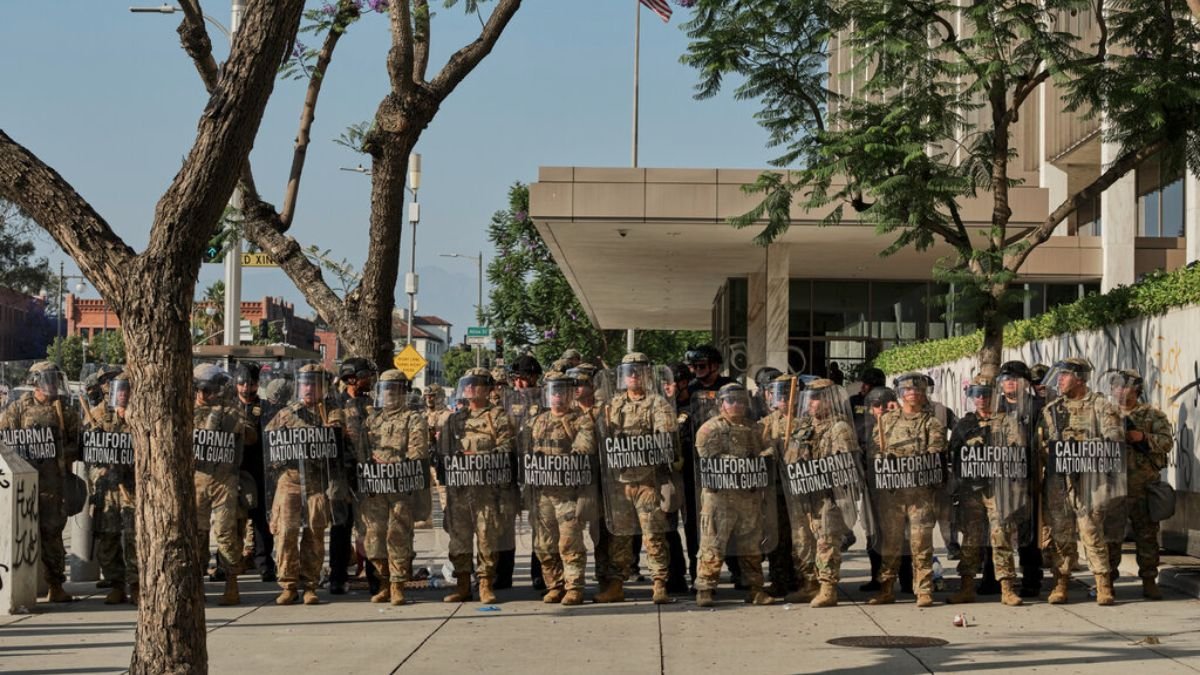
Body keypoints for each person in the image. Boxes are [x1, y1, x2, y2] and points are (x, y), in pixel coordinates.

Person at [1038, 357, 1124, 605]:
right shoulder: (1052, 409)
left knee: (1092, 532)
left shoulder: (1101, 406)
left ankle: (1103, 584)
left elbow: (1115, 438)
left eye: (1064, 375)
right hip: (1059, 481)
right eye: (1059, 375)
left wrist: (1082, 446)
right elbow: (1041, 444)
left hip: (1090, 479)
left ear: (1079, 378)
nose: (1060, 380)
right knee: (1060, 535)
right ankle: (1061, 583)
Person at [595, 352, 678, 604]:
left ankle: (659, 583)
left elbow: (666, 434)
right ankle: (616, 584)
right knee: (619, 536)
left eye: (638, 371)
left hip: (647, 481)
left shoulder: (657, 403)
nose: (632, 375)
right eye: (628, 371)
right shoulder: (614, 404)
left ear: (646, 374)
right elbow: (603, 434)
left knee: (653, 534)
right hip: (620, 482)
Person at [0, 361, 81, 603]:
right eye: (48, 379)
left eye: (55, 379)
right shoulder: (18, 409)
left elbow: (77, 444)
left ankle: (55, 584)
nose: (52, 384)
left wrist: (60, 451)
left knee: (52, 533)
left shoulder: (64, 410)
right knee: (18, 532)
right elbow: (5, 441)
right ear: (35, 382)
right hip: (24, 484)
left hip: (52, 485)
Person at [265, 363, 344, 605]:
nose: (309, 388)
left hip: (316, 482)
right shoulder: (286, 413)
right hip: (289, 480)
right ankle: (288, 585)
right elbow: (269, 443)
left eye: (313, 383)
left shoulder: (332, 412)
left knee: (314, 534)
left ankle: (310, 585)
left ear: (323, 387)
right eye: (305, 383)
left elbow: (337, 438)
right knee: (286, 534)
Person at [866, 373, 947, 607]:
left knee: (921, 543)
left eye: (917, 389)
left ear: (924, 394)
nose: (912, 393)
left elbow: (935, 454)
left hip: (920, 495)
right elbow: (874, 451)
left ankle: (924, 589)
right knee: (890, 544)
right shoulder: (886, 421)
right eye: (908, 389)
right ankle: (886, 588)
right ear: (901, 393)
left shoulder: (931, 423)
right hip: (892, 495)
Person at [782, 378, 863, 608]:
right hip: (808, 494)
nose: (811, 403)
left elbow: (845, 464)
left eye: (816, 398)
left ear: (829, 400)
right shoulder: (804, 426)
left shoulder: (839, 428)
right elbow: (791, 458)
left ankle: (828, 588)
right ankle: (810, 584)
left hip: (830, 495)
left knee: (827, 542)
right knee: (806, 542)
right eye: (809, 398)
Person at [947, 375, 1027, 606]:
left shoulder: (1007, 422)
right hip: (971, 490)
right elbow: (953, 456)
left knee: (1001, 535)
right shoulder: (965, 424)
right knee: (971, 539)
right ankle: (966, 587)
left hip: (998, 489)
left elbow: (1018, 452)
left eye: (986, 394)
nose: (981, 398)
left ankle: (1007, 588)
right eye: (977, 394)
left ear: (994, 396)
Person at [438, 368, 516, 604]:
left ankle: (485, 584)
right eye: (468, 384)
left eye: (476, 384)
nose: (470, 388)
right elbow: (443, 452)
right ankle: (462, 584)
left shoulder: (498, 417)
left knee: (486, 538)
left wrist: (480, 457)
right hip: (460, 491)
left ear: (488, 389)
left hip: (487, 491)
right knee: (458, 540)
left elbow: (507, 448)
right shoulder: (455, 419)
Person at [694, 383, 774, 606]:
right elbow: (708, 456)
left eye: (741, 400)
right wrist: (743, 462)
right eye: (731, 400)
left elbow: (768, 449)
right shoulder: (710, 429)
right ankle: (705, 589)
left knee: (751, 546)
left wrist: (764, 456)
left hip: (748, 497)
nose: (737, 404)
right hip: (719, 497)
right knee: (712, 544)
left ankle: (756, 589)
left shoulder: (755, 429)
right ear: (721, 403)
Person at [1101, 368, 1174, 600]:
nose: (1119, 391)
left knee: (1147, 536)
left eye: (1124, 387)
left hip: (1143, 487)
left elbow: (1167, 443)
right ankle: (1107, 581)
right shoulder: (1105, 413)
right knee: (1111, 537)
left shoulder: (1152, 415)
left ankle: (1149, 579)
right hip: (1112, 487)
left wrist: (1143, 438)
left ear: (1136, 390)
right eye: (1115, 386)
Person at [524, 372, 596, 606]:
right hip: (542, 492)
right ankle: (554, 585)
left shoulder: (580, 420)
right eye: (553, 391)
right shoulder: (537, 421)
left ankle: (574, 587)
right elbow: (523, 447)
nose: (557, 396)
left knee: (569, 542)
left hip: (568, 493)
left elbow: (585, 447)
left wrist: (564, 459)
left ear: (569, 394)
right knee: (543, 544)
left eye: (561, 392)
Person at [361, 369, 430, 605]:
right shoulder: (372, 420)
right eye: (386, 389)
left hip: (401, 487)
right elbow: (362, 450)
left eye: (394, 388)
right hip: (375, 489)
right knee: (373, 539)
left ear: (403, 391)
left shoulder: (413, 418)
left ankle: (397, 585)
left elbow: (418, 451)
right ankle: (383, 581)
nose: (389, 393)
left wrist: (395, 463)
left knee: (397, 536)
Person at [192, 364, 254, 606]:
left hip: (225, 480)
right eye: (203, 390)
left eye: (211, 390)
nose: (206, 394)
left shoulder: (231, 411)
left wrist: (227, 416)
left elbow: (249, 436)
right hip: (197, 480)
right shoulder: (189, 411)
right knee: (197, 535)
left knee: (226, 534)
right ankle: (196, 585)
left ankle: (231, 583)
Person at [84, 371, 138, 605]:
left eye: (126, 390)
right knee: (108, 537)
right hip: (108, 487)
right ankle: (116, 584)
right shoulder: (99, 415)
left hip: (132, 486)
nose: (122, 394)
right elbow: (86, 450)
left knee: (134, 537)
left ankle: (136, 583)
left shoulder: (140, 415)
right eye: (119, 390)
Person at [996, 360, 1046, 598]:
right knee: (998, 531)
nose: (1009, 383)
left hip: (1028, 477)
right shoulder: (995, 406)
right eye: (1005, 379)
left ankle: (1031, 579)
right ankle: (994, 579)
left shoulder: (1038, 407)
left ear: (1025, 382)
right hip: (999, 479)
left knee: (1029, 533)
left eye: (1014, 379)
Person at [331, 357, 377, 596]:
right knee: (341, 527)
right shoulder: (334, 404)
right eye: (365, 375)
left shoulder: (370, 404)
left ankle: (374, 578)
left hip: (366, 475)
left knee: (369, 527)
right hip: (341, 475)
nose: (369, 379)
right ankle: (337, 577)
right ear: (351, 378)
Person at [758, 374, 804, 599]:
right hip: (776, 488)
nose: (784, 400)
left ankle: (804, 580)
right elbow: (757, 446)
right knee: (776, 535)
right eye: (780, 395)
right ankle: (779, 579)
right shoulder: (767, 422)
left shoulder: (805, 420)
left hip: (801, 488)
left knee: (801, 537)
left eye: (788, 395)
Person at [233, 362, 275, 583]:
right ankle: (227, 564)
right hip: (233, 471)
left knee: (261, 522)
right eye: (242, 384)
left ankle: (264, 564)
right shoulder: (229, 407)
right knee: (231, 521)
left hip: (259, 470)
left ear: (257, 385)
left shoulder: (266, 408)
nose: (245, 389)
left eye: (250, 384)